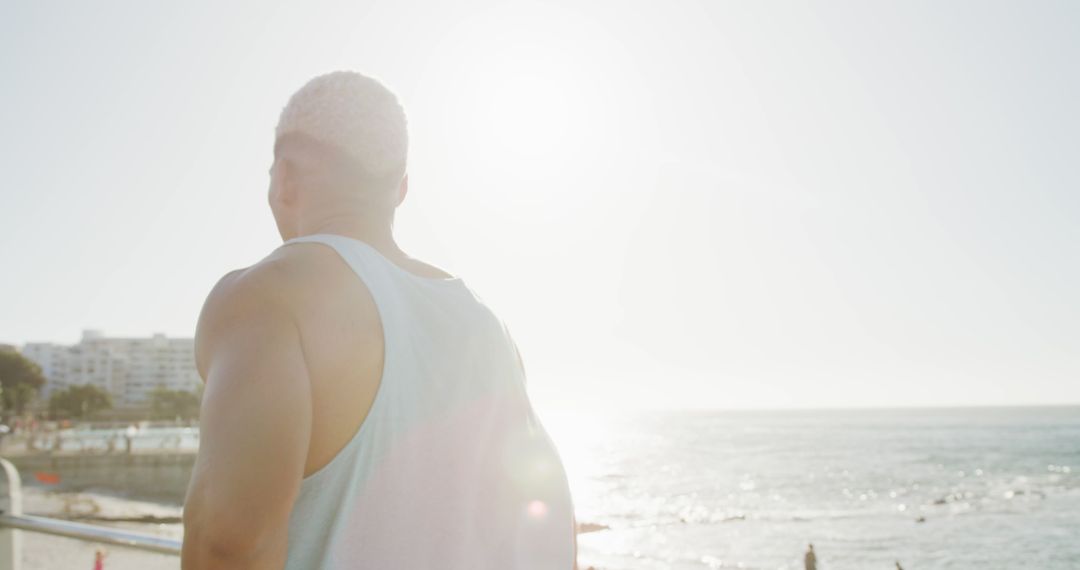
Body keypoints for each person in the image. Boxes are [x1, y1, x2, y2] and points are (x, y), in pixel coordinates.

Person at [181, 71, 577, 569]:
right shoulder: (488, 326)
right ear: (401, 188)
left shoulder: (267, 296)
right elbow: (551, 528)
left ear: (284, 176)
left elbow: (232, 540)